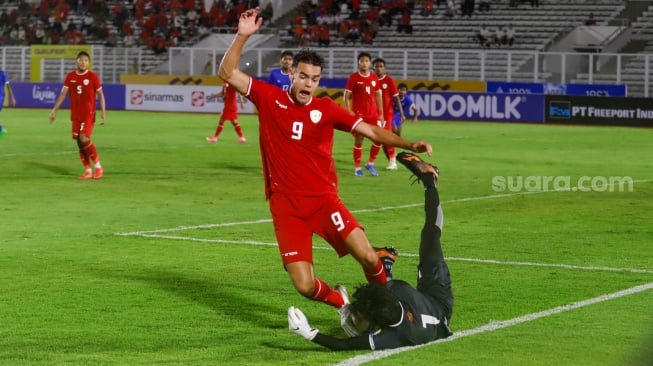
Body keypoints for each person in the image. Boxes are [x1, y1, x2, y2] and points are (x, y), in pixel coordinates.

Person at [218, 7, 432, 316]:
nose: (307, 85)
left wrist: (409, 143)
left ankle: (389, 308)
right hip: (286, 206)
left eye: (314, 79)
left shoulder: (327, 109)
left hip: (323, 201)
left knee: (369, 258)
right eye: (303, 77)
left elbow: (371, 130)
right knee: (304, 286)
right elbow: (227, 73)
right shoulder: (269, 97)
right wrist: (242, 36)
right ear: (292, 74)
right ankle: (345, 305)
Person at [288, 152, 454, 350]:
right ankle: (430, 179)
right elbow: (346, 344)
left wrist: (309, 333)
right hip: (439, 302)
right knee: (431, 234)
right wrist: (309, 333)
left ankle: (385, 261)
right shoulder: (397, 319)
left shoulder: (395, 327)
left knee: (428, 238)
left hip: (419, 308)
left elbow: (346, 343)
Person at [49, 51, 107, 180]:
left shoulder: (93, 77)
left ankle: (98, 167)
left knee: (83, 138)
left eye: (86, 60)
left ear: (89, 63)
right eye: (81, 60)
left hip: (88, 113)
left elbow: (100, 95)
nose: (83, 62)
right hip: (75, 114)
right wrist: (54, 110)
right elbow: (63, 94)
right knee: (79, 142)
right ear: (76, 61)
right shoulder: (70, 77)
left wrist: (103, 112)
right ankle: (87, 170)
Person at [344, 52, 385, 177]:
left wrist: (381, 114)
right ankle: (357, 168)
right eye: (361, 61)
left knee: (378, 139)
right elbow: (347, 96)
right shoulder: (354, 78)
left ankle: (370, 163)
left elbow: (378, 96)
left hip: (373, 115)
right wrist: (349, 110)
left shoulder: (374, 78)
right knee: (359, 140)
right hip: (359, 115)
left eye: (366, 61)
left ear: (370, 63)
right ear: (358, 63)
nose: (364, 63)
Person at [372, 58, 402, 170]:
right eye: (377, 66)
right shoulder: (371, 80)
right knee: (379, 138)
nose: (379, 68)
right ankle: (391, 159)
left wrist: (401, 113)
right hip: (374, 114)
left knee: (386, 135)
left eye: (381, 66)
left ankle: (392, 160)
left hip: (387, 114)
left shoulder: (389, 80)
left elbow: (396, 97)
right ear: (373, 68)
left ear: (384, 68)